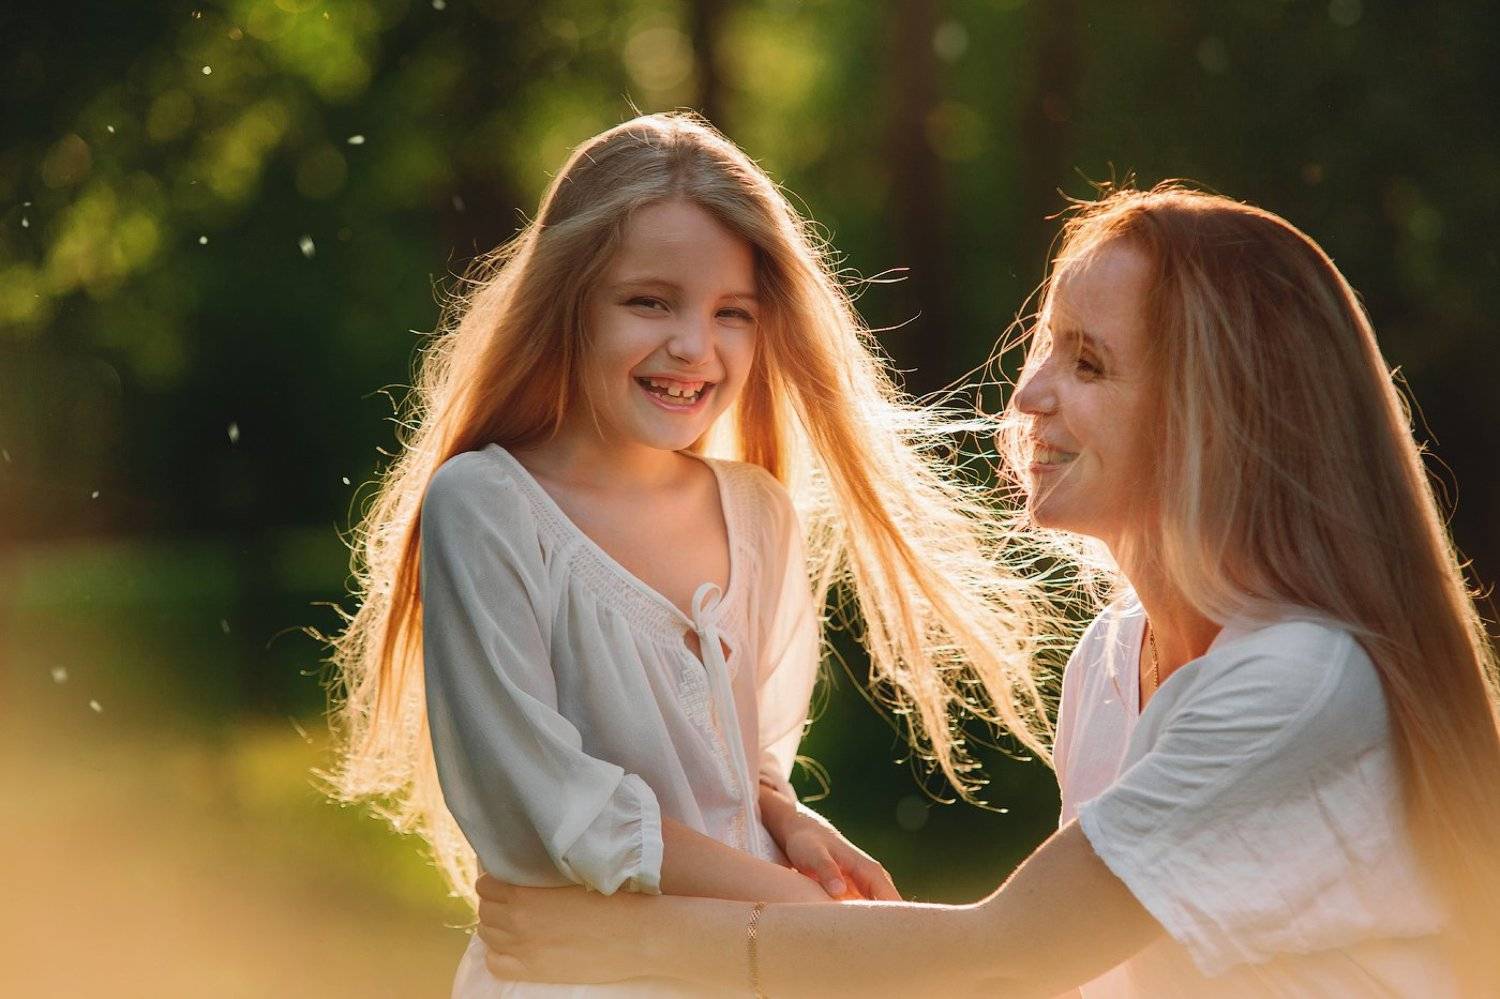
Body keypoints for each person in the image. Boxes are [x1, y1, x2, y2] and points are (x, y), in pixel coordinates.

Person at [471, 185, 1500, 997]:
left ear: (1218, 417)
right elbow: (1069, 976)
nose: (1030, 393)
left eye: (1089, 362)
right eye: (1046, 346)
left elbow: (1011, 956)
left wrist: (637, 941)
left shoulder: (1299, 680)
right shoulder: (1114, 658)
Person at [320, 112, 1054, 997]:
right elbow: (550, 812)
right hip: (576, 976)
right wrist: (804, 916)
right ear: (568, 302)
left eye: (731, 313)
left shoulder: (758, 513)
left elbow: (735, 770)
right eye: (650, 301)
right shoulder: (487, 506)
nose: (693, 347)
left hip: (745, 968)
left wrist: (789, 824)